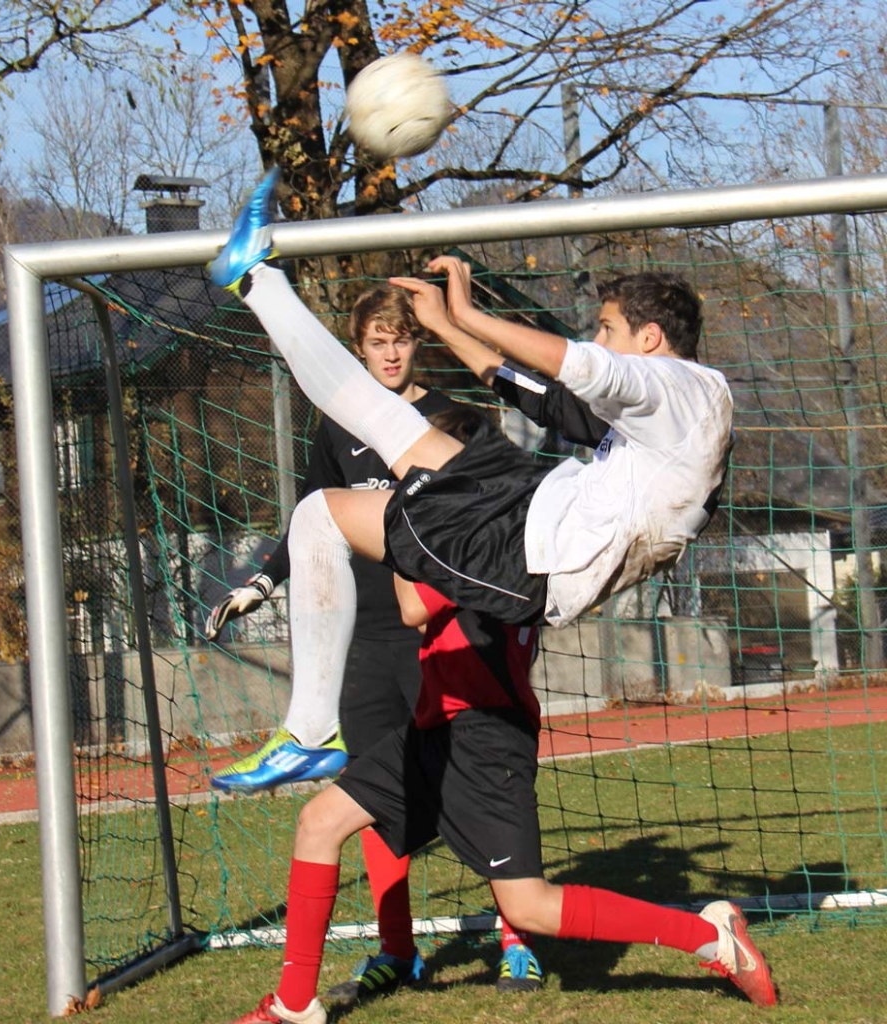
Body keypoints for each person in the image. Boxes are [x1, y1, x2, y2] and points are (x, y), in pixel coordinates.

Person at [206, 167, 733, 786]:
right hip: (526, 511)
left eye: (607, 328)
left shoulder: (677, 390)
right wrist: (452, 329)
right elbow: (551, 402)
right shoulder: (676, 419)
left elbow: (576, 366)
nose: (597, 338)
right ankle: (256, 277)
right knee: (375, 433)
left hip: (526, 559)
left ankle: (310, 731)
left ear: (649, 338)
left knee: (322, 511)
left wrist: (469, 313)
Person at [225, 572, 777, 1024]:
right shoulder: (471, 512)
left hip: (484, 736)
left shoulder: (477, 531)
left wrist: (395, 522)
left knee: (528, 905)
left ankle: (710, 937)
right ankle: (295, 1003)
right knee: (319, 821)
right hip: (435, 728)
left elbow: (413, 604)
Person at [206, 304, 546, 992]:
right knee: (366, 784)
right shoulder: (338, 424)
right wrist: (264, 584)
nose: (389, 356)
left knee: (486, 772)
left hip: (449, 629)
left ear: (416, 343)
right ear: (358, 349)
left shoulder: (453, 419)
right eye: (376, 343)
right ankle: (398, 951)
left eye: (400, 341)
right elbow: (311, 511)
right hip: (366, 630)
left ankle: (519, 938)